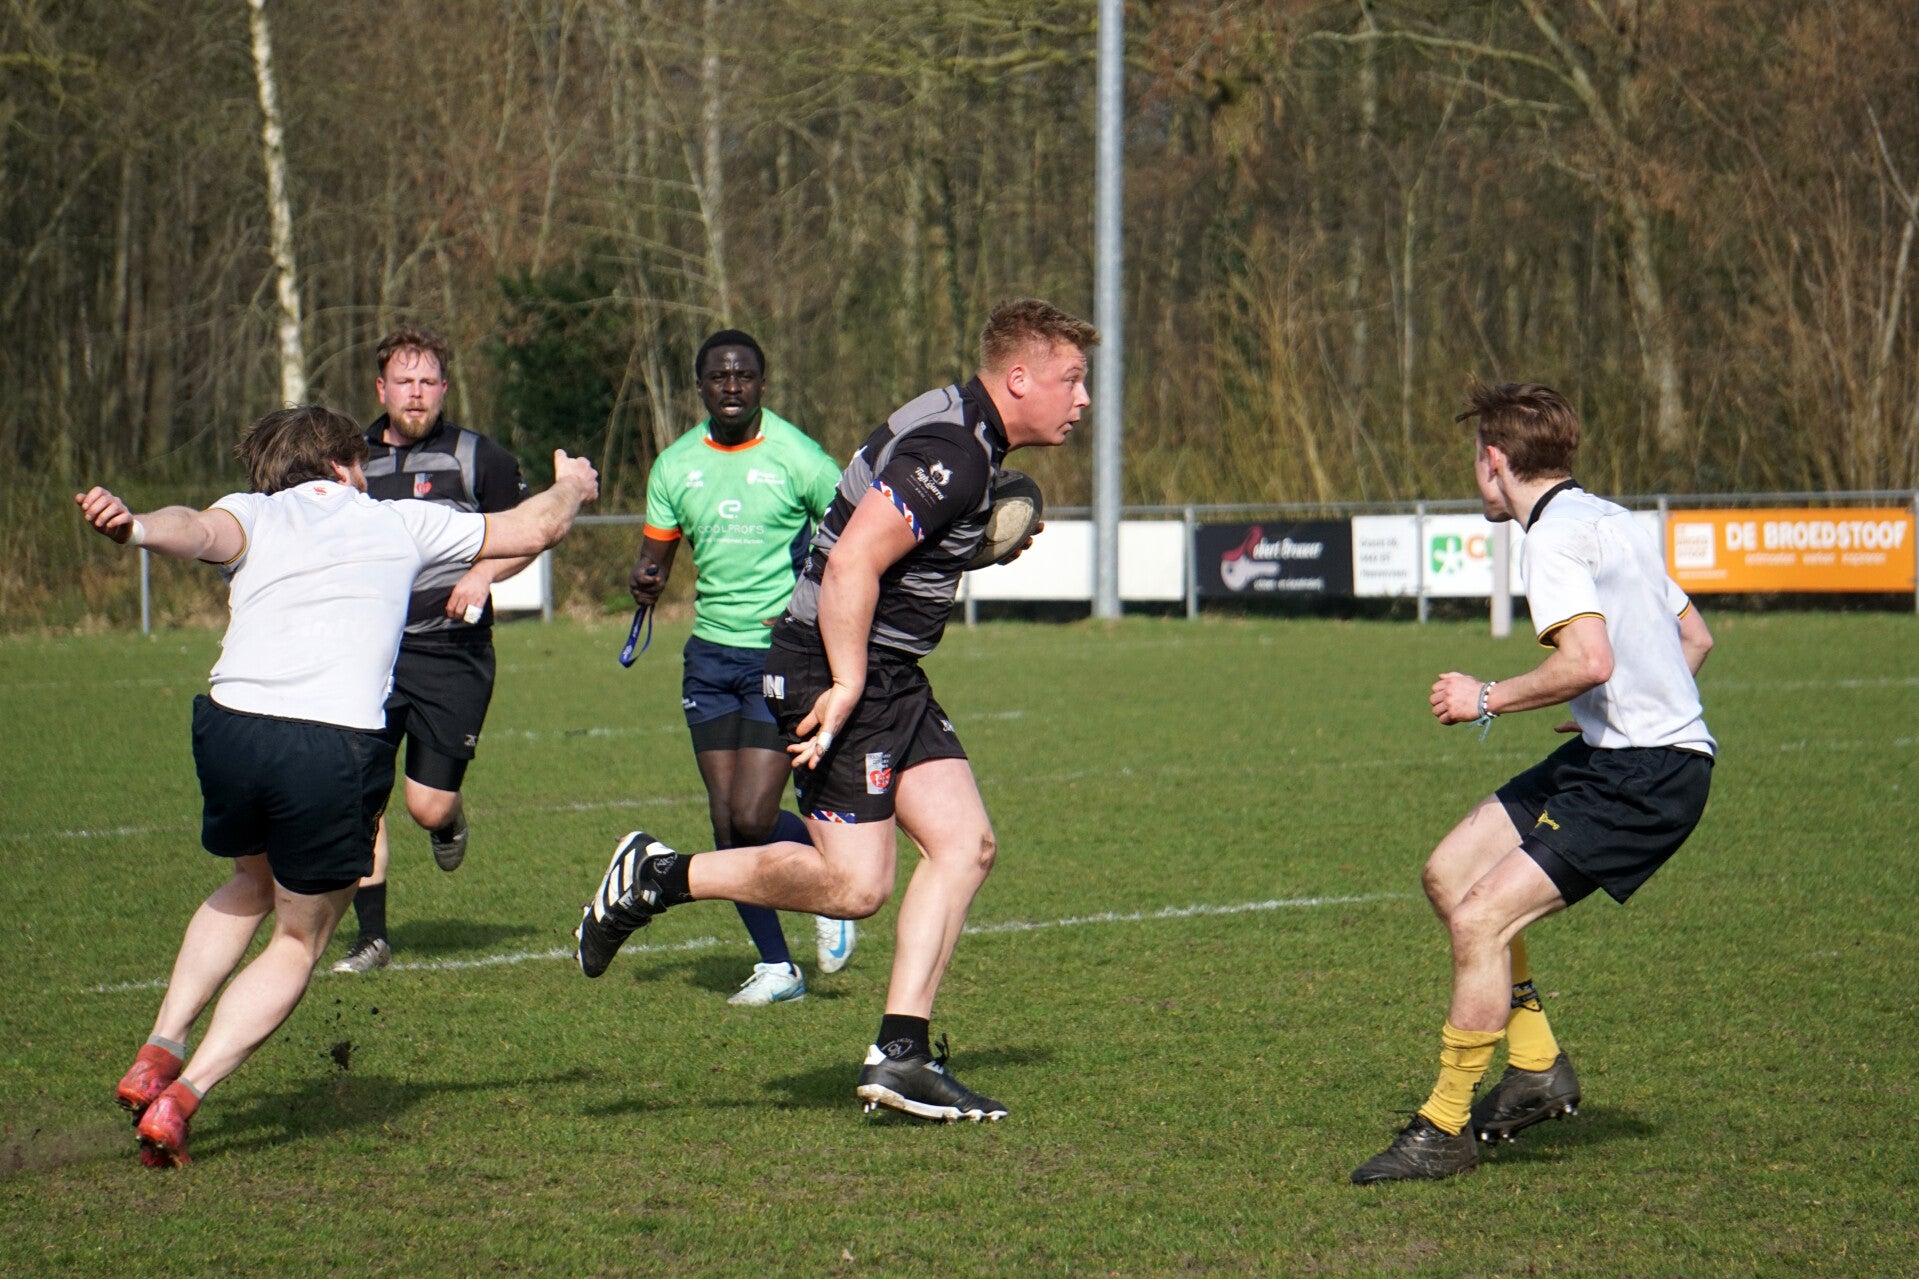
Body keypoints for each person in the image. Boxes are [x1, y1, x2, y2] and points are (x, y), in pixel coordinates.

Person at [575, 297, 1097, 1121]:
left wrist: (967, 548)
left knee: (964, 844)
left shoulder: (960, 427)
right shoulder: (955, 450)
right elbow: (853, 562)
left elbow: (885, 542)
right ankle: (657, 875)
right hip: (837, 669)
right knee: (854, 887)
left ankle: (900, 1055)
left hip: (886, 671)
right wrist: (847, 682)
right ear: (1020, 378)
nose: (1083, 398)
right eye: (1071, 379)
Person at [81, 406, 598, 1167]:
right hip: (329, 743)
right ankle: (181, 1096)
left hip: (230, 725)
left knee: (249, 881)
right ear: (343, 463)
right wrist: (572, 486)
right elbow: (535, 528)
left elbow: (191, 528)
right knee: (299, 938)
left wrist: (134, 528)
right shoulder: (398, 521)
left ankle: (159, 1046)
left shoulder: (253, 512)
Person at [1350, 382, 1715, 1184]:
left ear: (1492, 461)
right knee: (1450, 873)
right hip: (1618, 752)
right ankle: (1536, 1065)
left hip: (1644, 776)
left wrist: (1484, 696)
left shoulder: (1550, 539)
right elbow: (1694, 636)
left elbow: (1588, 660)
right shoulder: (1612, 519)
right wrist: (1626, 707)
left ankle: (1443, 1128)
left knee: (1480, 918)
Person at [627, 329, 854, 1005]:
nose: (731, 386)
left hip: (780, 655)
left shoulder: (800, 457)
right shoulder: (674, 465)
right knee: (726, 821)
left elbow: (853, 539)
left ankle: (834, 876)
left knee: (753, 816)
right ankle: (778, 967)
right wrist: (644, 580)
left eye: (744, 375)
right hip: (708, 656)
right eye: (719, 376)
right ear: (700, 386)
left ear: (761, 383)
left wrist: (809, 608)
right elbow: (655, 556)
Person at [333, 325, 533, 974]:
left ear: (444, 389)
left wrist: (483, 574)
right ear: (380, 388)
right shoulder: (349, 462)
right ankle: (372, 938)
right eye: (403, 381)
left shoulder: (479, 457)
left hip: (454, 653)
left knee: (427, 804)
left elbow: (527, 533)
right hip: (372, 654)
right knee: (361, 794)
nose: (415, 393)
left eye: (427, 381)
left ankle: (449, 821)